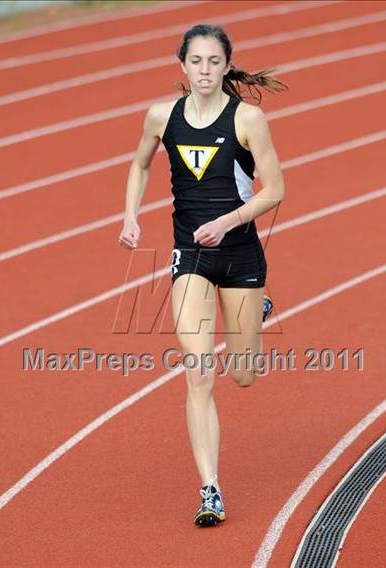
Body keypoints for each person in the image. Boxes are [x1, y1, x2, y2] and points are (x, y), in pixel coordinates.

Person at [119, 24, 286, 527]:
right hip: (189, 256)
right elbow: (140, 163)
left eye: (214, 62)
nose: (206, 70)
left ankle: (256, 307)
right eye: (197, 61)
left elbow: (274, 190)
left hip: (240, 256)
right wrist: (130, 214)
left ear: (227, 65)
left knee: (243, 375)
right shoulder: (161, 116)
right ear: (183, 65)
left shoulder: (248, 119)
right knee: (198, 372)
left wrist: (228, 221)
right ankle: (210, 488)